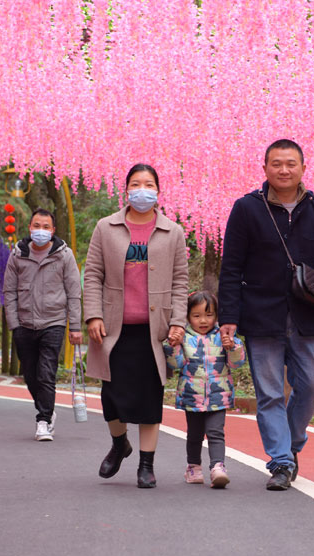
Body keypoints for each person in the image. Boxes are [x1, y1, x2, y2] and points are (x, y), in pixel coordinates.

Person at [218, 139, 314, 491]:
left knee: (313, 385)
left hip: (305, 315)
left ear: (303, 168)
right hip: (261, 316)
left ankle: (290, 444)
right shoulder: (247, 209)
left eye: (291, 163)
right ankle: (281, 461)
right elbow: (230, 267)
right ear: (265, 169)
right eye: (276, 164)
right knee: (271, 393)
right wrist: (228, 315)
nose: (284, 170)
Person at [83, 163, 188, 488]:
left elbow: (180, 280)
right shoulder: (106, 227)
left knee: (149, 400)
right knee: (111, 396)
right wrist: (94, 315)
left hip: (153, 332)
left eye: (148, 184)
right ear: (126, 190)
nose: (142, 190)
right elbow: (93, 274)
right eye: (135, 184)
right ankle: (119, 444)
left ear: (158, 191)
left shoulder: (173, 232)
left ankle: (146, 465)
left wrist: (178, 322)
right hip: (114, 329)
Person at [3, 208, 83, 442]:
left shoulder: (64, 255)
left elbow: (73, 292)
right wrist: (14, 325)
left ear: (53, 230)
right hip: (24, 324)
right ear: (29, 228)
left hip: (53, 322)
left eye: (46, 227)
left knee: (46, 373)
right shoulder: (17, 255)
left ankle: (44, 420)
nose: (41, 231)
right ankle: (47, 410)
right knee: (30, 375)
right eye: (37, 226)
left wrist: (75, 326)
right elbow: (9, 292)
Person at [164, 291, 245, 488]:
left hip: (219, 395)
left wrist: (232, 347)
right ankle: (193, 467)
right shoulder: (183, 337)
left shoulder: (224, 335)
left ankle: (218, 467)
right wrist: (172, 347)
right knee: (194, 434)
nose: (203, 320)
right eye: (197, 315)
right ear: (188, 316)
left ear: (217, 316)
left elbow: (237, 363)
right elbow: (177, 364)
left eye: (209, 315)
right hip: (192, 396)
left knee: (216, 432)